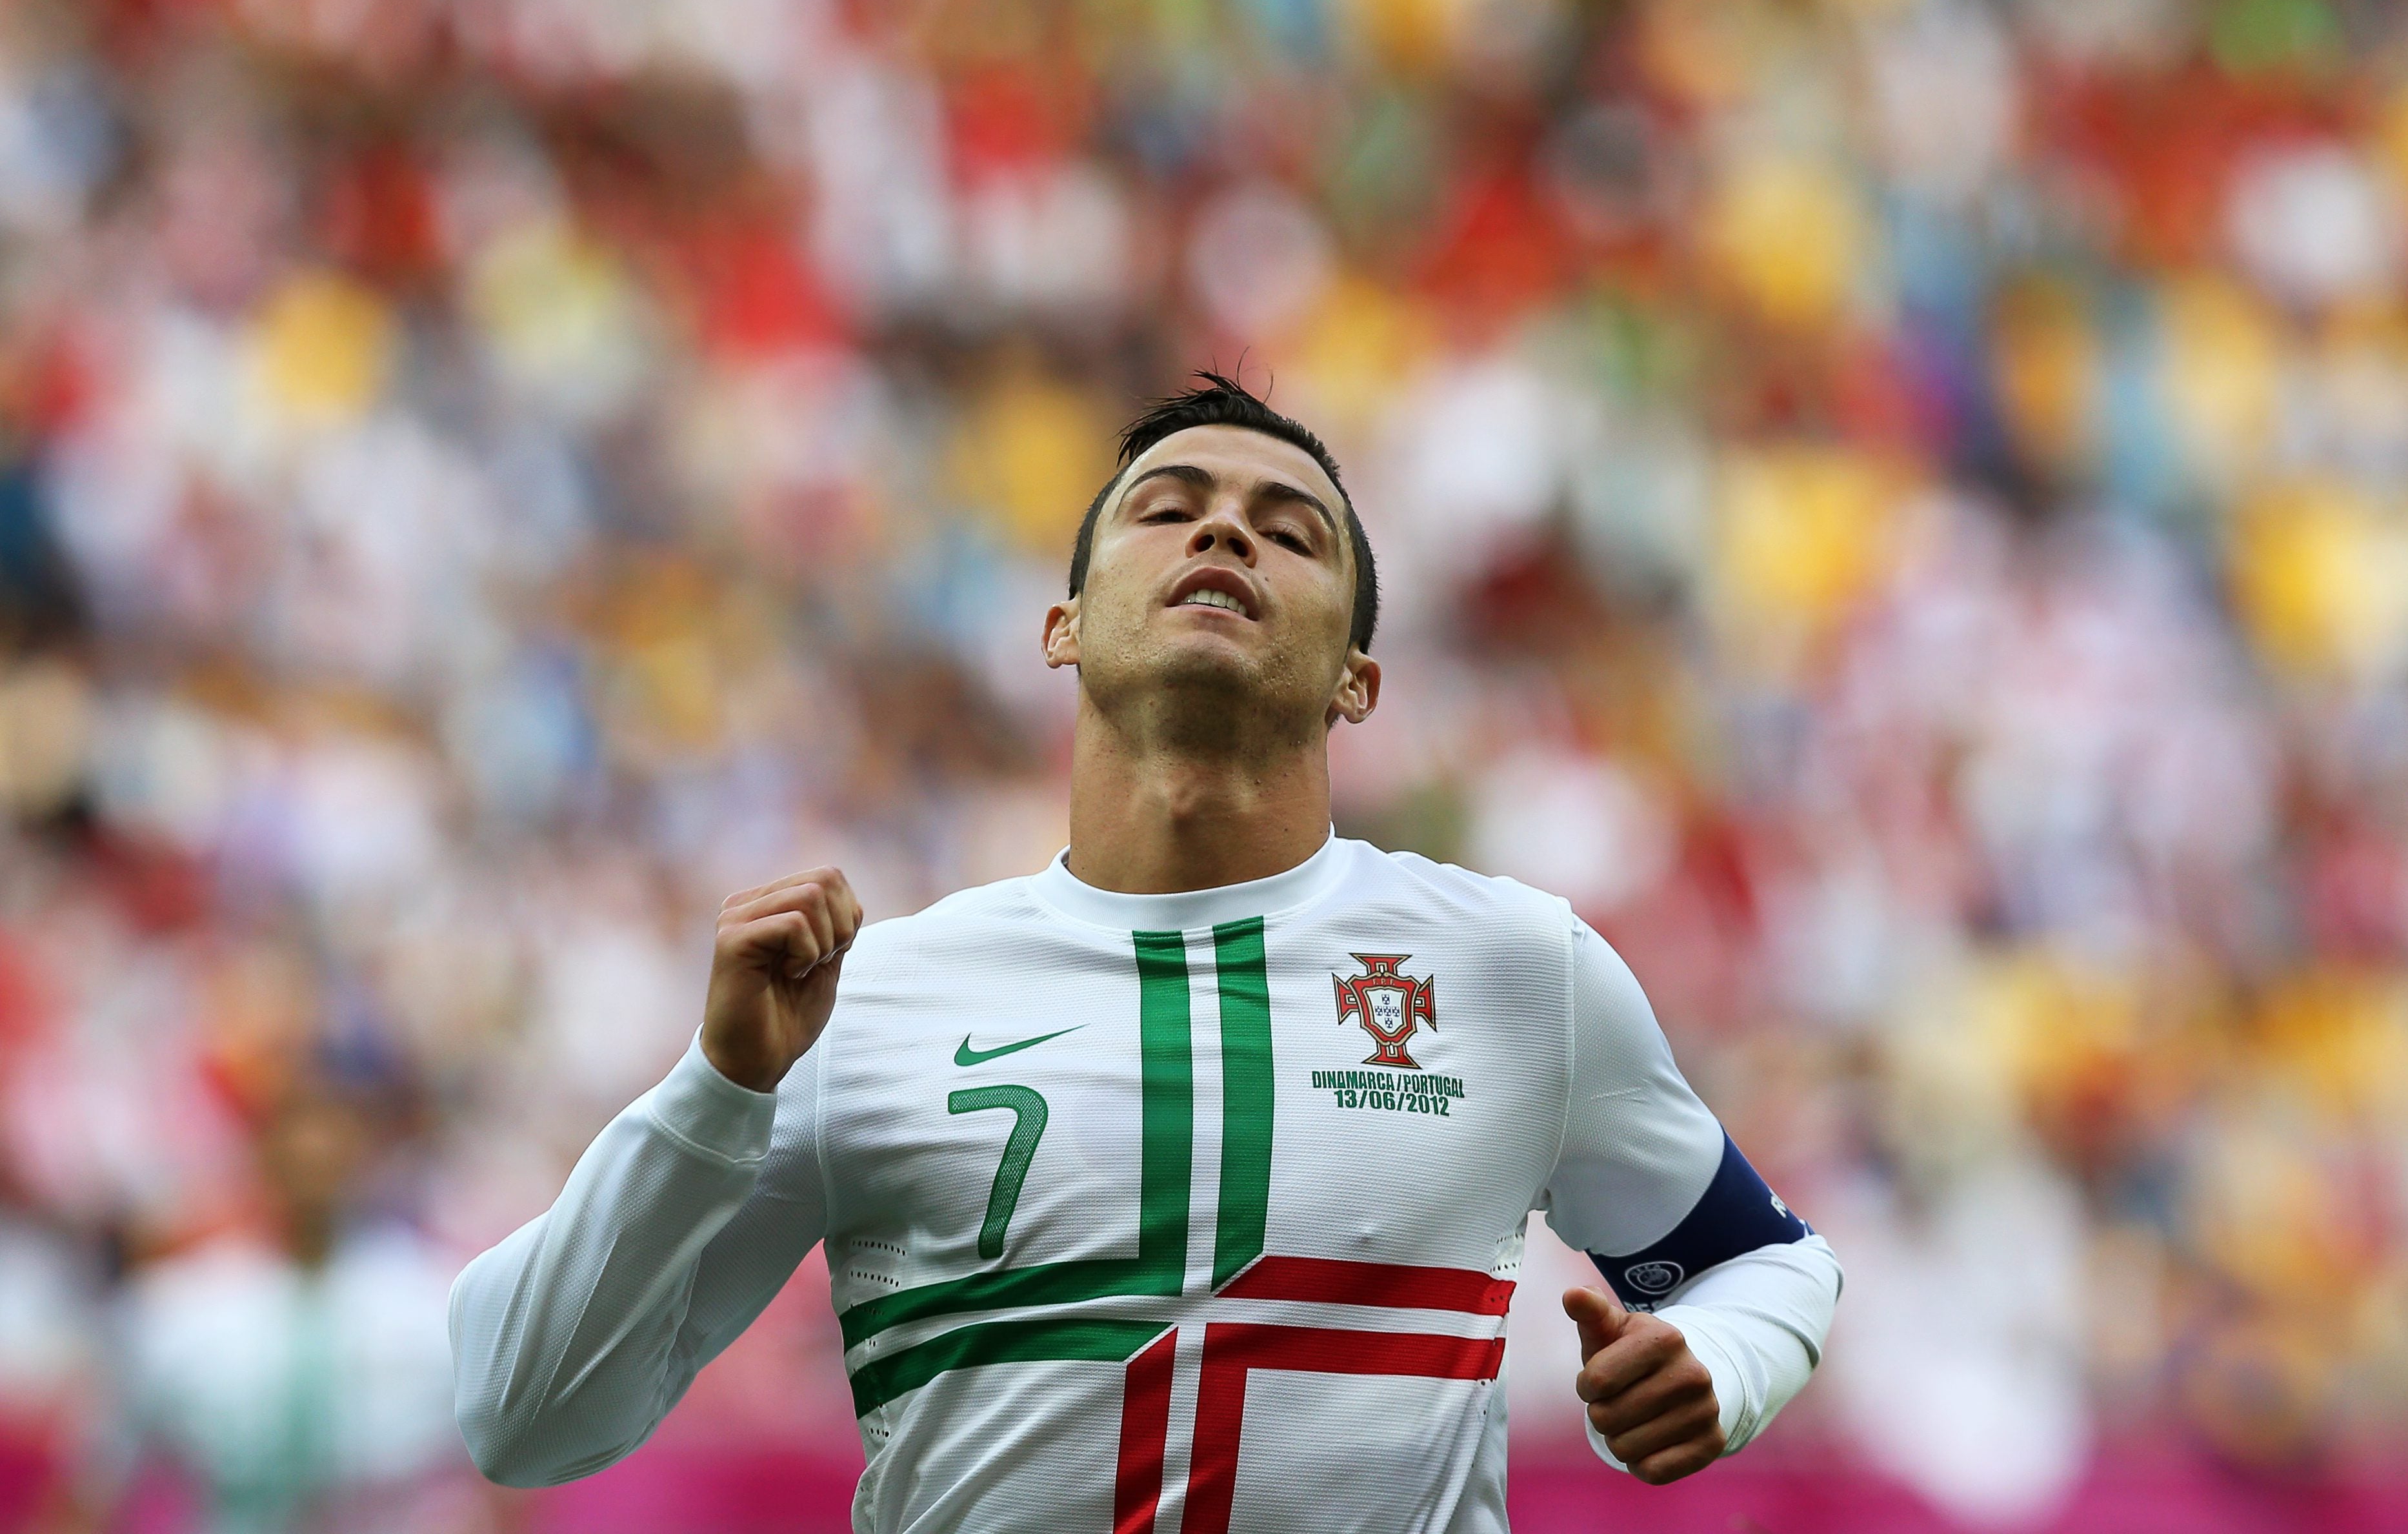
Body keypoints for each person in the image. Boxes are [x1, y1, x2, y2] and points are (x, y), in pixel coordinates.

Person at [449, 374, 1843, 1532]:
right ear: (1062, 627)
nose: (1225, 531)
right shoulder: (866, 1002)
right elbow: (525, 1418)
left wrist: (1720, 1362)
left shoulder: (1514, 967)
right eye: (1168, 510)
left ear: (1358, 680)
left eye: (1291, 532)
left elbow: (1767, 1263)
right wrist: (716, 1090)